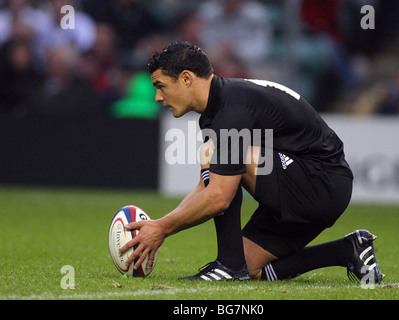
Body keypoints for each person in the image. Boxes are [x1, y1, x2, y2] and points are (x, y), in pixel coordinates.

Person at [120, 41, 384, 284]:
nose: (157, 97)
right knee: (253, 268)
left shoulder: (231, 110)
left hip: (321, 183)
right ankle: (348, 249)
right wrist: (159, 225)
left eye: (161, 86)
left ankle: (228, 266)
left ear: (186, 78)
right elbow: (207, 187)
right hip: (307, 185)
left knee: (213, 155)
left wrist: (162, 229)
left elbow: (219, 197)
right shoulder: (222, 106)